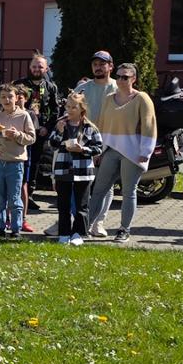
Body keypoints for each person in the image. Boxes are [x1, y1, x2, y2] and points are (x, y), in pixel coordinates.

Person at [86, 62, 157, 242]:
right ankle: (84, 226)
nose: (120, 80)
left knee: (128, 192)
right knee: (99, 189)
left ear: (133, 79)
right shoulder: (109, 98)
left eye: (125, 77)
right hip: (111, 150)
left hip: (133, 153)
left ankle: (124, 230)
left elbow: (149, 125)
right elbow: (101, 125)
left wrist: (146, 151)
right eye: (118, 76)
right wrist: (98, 150)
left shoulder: (142, 98)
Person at [48, 91, 105, 245]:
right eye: (68, 106)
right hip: (63, 169)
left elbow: (98, 148)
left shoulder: (90, 127)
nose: (70, 110)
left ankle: (79, 234)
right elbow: (52, 145)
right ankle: (64, 233)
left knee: (81, 205)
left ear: (82, 109)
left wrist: (83, 150)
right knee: (63, 204)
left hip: (83, 171)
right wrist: (59, 132)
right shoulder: (61, 124)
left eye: (74, 107)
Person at [0, 85, 37, 236]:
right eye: (3, 97)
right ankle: (0, 227)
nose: (7, 100)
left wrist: (17, 135)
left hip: (15, 163)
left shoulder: (24, 116)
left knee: (14, 198)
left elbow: (32, 138)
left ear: (16, 98)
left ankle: (16, 229)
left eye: (10, 97)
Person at [16, 53, 62, 212]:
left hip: (40, 132)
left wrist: (47, 128)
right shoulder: (19, 85)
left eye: (40, 67)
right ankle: (16, 194)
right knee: (20, 161)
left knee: (34, 163)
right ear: (30, 67)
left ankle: (28, 194)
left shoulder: (51, 87)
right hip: (20, 131)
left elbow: (55, 110)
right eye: (34, 66)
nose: (37, 69)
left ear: (46, 69)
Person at [76, 51, 117, 123]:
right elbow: (69, 112)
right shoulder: (81, 89)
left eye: (102, 64)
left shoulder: (119, 87)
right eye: (95, 64)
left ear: (110, 66)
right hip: (87, 130)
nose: (98, 67)